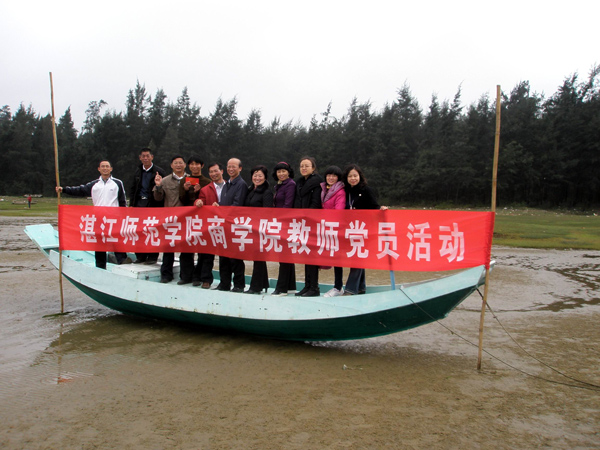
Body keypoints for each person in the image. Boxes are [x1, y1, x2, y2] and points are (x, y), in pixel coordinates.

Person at [56, 160, 132, 269]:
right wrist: (64, 189)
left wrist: (123, 217)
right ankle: (100, 267)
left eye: (107, 166)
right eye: (103, 166)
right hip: (99, 218)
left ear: (111, 169)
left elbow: (122, 201)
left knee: (116, 241)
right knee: (100, 244)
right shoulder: (94, 184)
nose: (105, 168)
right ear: (99, 169)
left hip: (113, 219)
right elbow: (80, 190)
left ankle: (123, 262)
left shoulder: (117, 183)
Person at [342, 164, 388, 296]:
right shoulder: (345, 191)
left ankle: (350, 289)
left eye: (355, 176)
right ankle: (361, 288)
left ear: (360, 176)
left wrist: (382, 209)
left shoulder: (366, 190)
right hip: (350, 229)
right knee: (357, 257)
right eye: (350, 176)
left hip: (364, 229)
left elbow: (375, 207)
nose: (353, 178)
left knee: (358, 258)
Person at [152, 155, 188, 284]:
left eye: (180, 163)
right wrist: (158, 186)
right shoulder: (165, 181)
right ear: (171, 165)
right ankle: (166, 275)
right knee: (168, 248)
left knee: (186, 249)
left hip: (186, 220)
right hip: (170, 220)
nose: (178, 165)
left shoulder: (191, 179)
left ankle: (185, 276)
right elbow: (158, 198)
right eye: (175, 163)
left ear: (185, 165)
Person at [177, 155, 211, 286]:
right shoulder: (184, 181)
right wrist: (186, 190)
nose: (194, 166)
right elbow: (182, 200)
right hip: (187, 218)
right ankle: (186, 276)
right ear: (188, 166)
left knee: (203, 249)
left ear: (202, 166)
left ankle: (199, 276)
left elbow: (207, 201)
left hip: (202, 219)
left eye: (197, 164)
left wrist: (199, 192)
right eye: (192, 164)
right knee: (186, 248)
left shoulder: (207, 181)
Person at [129, 147, 166, 265]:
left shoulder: (159, 172)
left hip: (153, 205)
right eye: (143, 156)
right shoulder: (137, 171)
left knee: (152, 230)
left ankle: (152, 257)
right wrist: (131, 204)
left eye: (147, 156)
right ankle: (140, 256)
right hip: (139, 204)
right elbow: (133, 189)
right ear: (140, 158)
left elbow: (163, 191)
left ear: (152, 157)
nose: (145, 158)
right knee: (139, 231)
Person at [192, 162, 226, 288]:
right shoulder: (205, 189)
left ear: (222, 171)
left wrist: (221, 206)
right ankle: (205, 279)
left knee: (225, 254)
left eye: (216, 171)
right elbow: (199, 201)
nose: (213, 174)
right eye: (211, 172)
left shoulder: (230, 187)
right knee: (206, 253)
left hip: (226, 225)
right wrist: (198, 202)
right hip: (210, 225)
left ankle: (225, 281)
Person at [216, 158, 248, 292]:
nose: (231, 169)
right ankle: (224, 284)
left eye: (234, 166)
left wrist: (223, 213)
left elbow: (237, 205)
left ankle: (239, 285)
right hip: (224, 226)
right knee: (223, 257)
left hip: (235, 226)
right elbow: (224, 203)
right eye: (229, 166)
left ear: (240, 168)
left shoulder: (241, 184)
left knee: (235, 258)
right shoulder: (226, 184)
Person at [294, 156, 323, 297]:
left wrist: (307, 216)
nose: (304, 168)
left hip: (313, 222)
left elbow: (316, 203)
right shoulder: (299, 183)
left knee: (312, 256)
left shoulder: (317, 183)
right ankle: (307, 286)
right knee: (306, 255)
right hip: (302, 223)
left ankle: (314, 287)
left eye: (307, 166)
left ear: (313, 168)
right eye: (301, 166)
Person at [244, 165, 273, 294]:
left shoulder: (267, 192)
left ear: (265, 177)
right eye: (255, 175)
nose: (257, 178)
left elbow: (267, 212)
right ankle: (263, 284)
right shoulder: (250, 190)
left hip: (260, 228)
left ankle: (255, 287)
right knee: (258, 257)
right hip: (250, 227)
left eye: (260, 175)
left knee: (258, 256)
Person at [271, 162, 297, 296]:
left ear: (289, 172)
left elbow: (288, 205)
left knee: (283, 255)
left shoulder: (290, 184)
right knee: (287, 255)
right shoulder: (279, 185)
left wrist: (279, 220)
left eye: (283, 171)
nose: (281, 174)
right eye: (279, 171)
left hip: (285, 223)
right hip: (280, 221)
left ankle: (281, 288)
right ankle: (291, 286)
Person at [320, 165, 346, 297]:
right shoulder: (323, 189)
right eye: (329, 175)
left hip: (335, 228)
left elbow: (339, 211)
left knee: (337, 258)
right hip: (323, 227)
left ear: (338, 178)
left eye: (334, 176)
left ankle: (338, 287)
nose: (331, 178)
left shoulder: (340, 191)